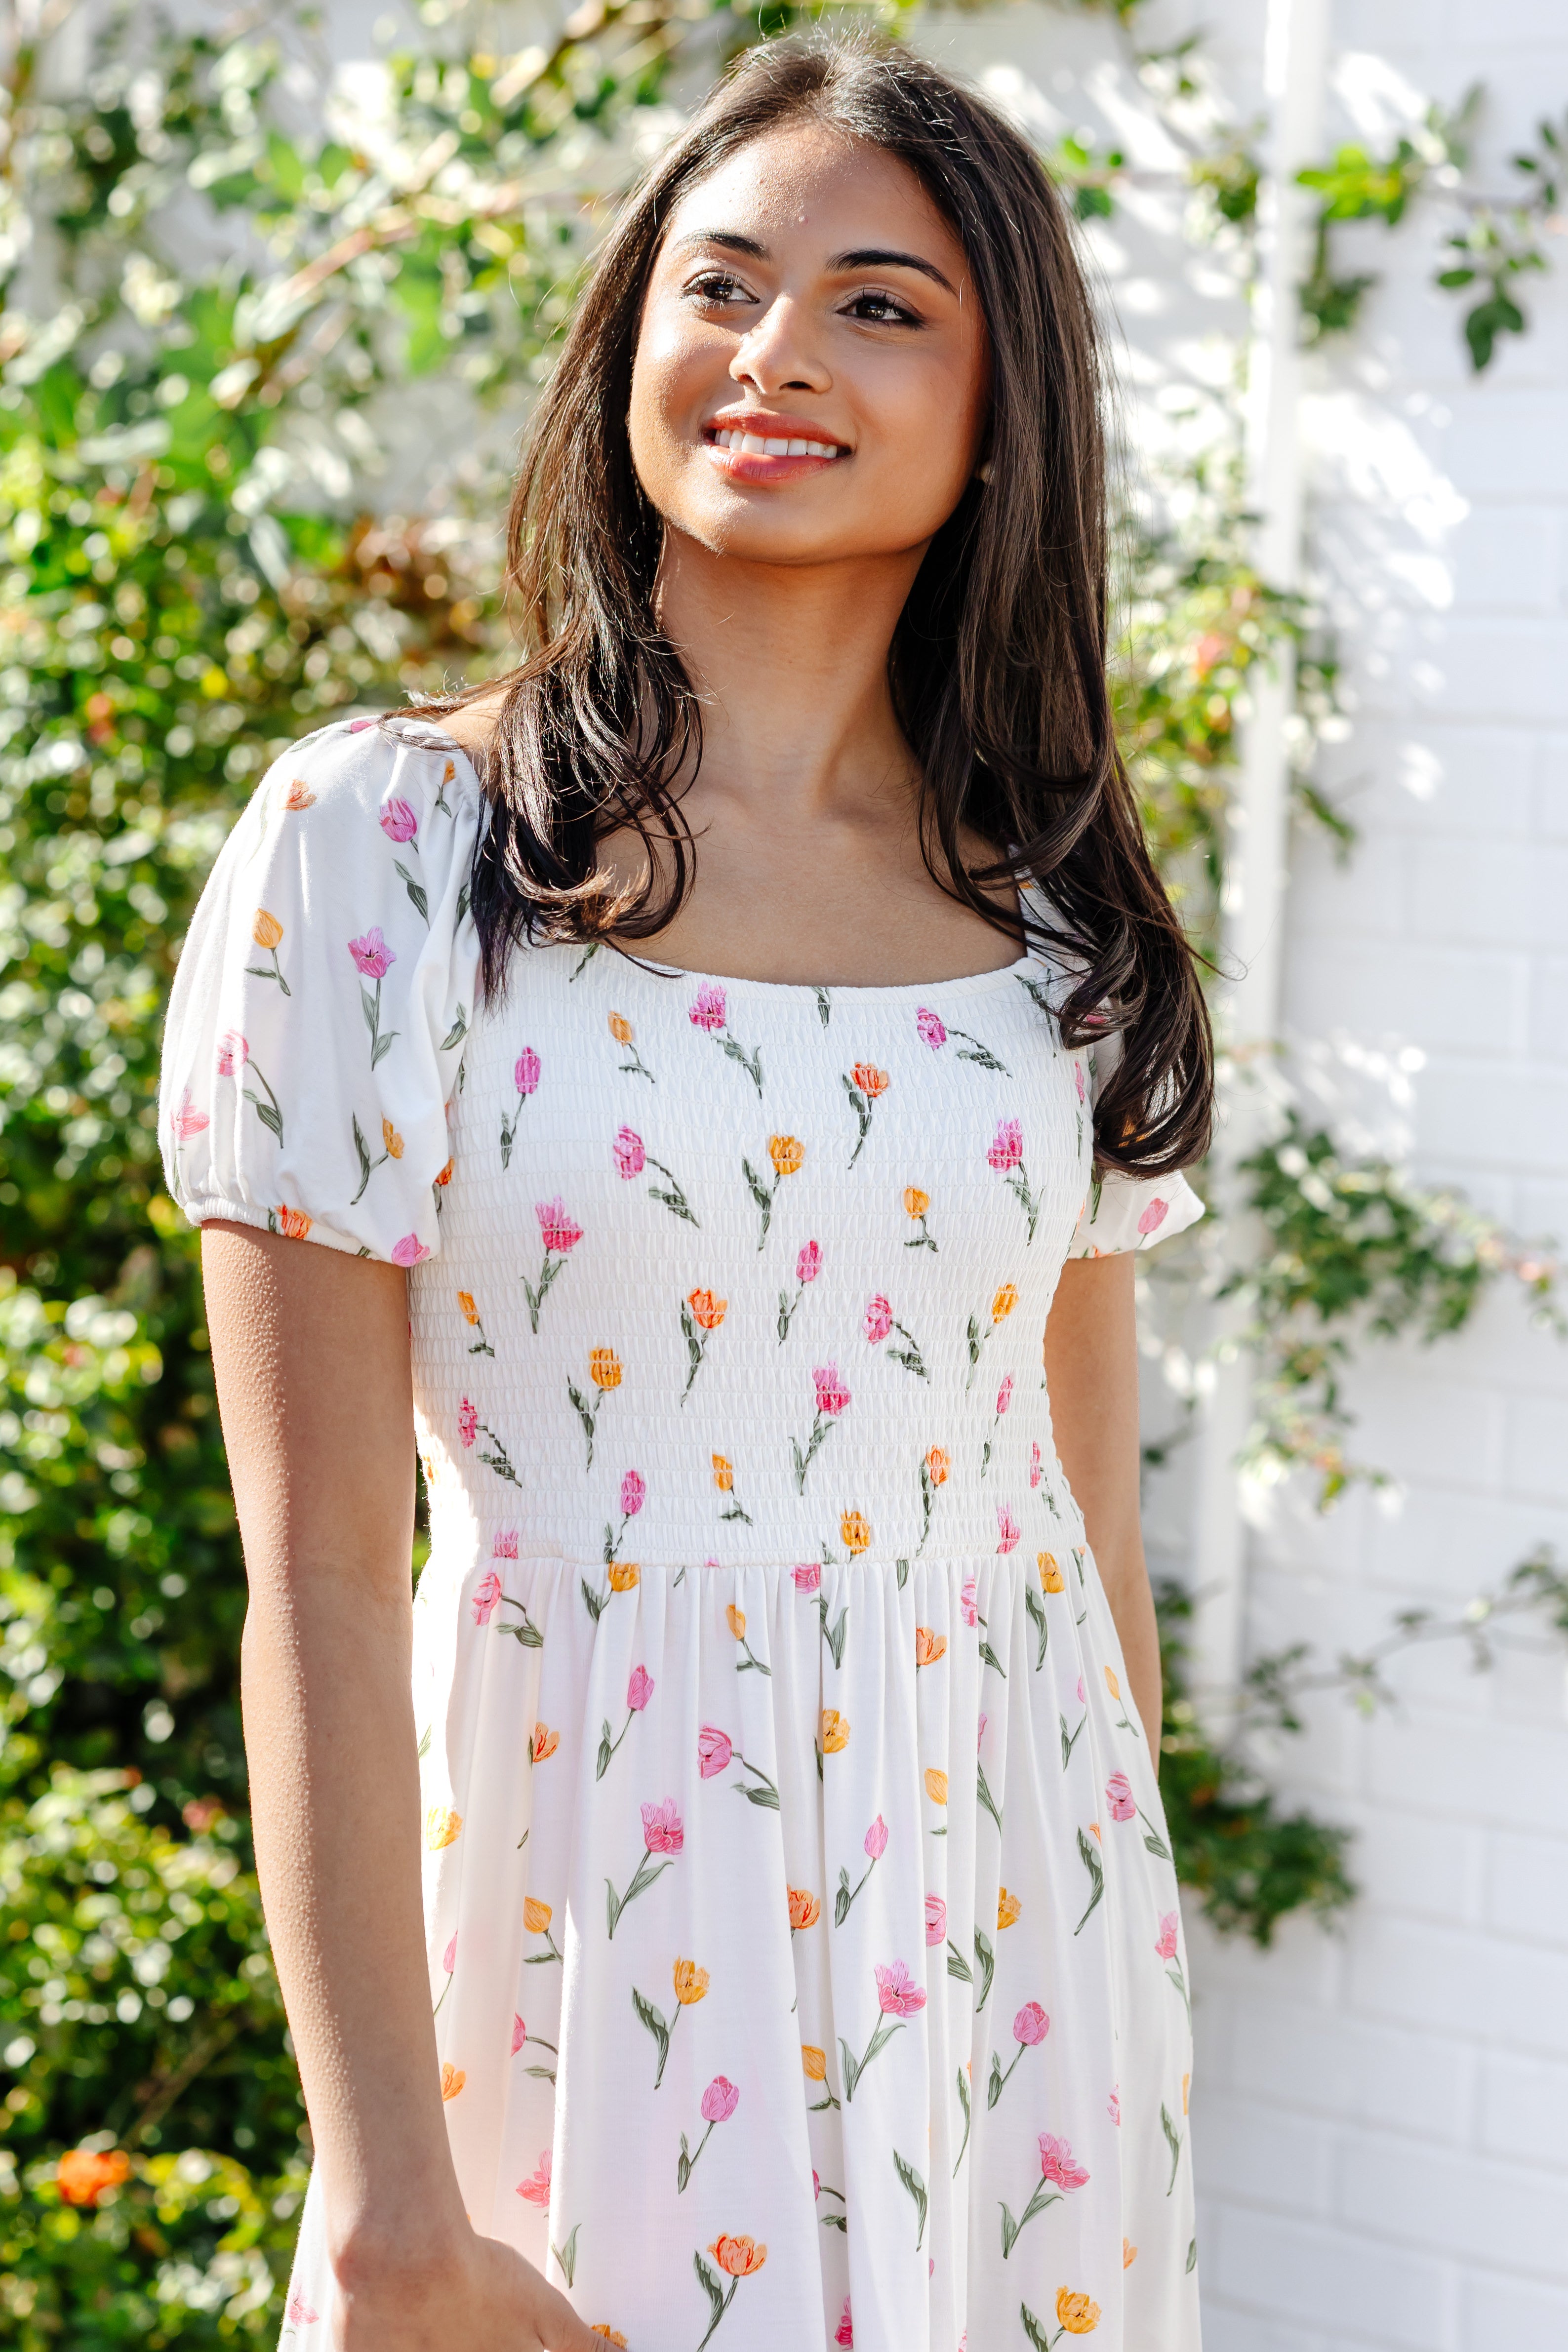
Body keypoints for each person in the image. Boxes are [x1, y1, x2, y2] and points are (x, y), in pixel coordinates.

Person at [161, 33, 1212, 2352]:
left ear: (998, 404)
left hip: (1009, 1981)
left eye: (877, 304)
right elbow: (320, 1574)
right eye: (718, 282)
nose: (770, 352)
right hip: (586, 1939)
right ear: (627, 340)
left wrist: (1113, 2013)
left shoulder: (1060, 933)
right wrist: (382, 2208)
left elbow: (1077, 1530)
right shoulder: (391, 854)